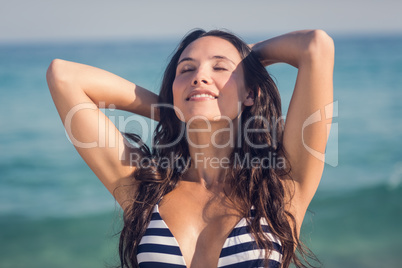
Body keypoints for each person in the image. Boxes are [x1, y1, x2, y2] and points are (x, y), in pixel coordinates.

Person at [46, 29, 334, 268]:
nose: (199, 76)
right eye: (187, 69)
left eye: (220, 67)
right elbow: (64, 77)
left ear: (250, 93)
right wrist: (176, 109)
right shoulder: (145, 189)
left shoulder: (282, 185)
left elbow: (316, 46)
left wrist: (250, 55)